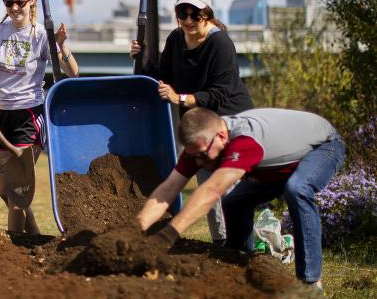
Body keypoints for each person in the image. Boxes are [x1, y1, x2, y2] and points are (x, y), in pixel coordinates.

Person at [136, 107, 344, 289]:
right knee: (234, 202)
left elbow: (212, 190)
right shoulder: (200, 146)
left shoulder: (245, 141)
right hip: (274, 169)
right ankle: (236, 262)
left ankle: (310, 282)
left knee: (297, 188)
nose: (198, 162)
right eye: (193, 157)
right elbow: (169, 188)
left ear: (221, 136)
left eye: (202, 156)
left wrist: (168, 235)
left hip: (323, 147)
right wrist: (136, 229)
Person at [131, 0, 253, 245]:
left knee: (226, 187)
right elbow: (163, 77)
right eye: (182, 14)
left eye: (195, 15)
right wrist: (142, 59)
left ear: (206, 15)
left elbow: (220, 92)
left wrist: (181, 98)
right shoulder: (176, 39)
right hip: (200, 121)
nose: (188, 20)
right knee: (205, 181)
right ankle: (222, 243)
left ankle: (242, 247)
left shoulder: (220, 43)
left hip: (228, 120)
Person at [0, 0, 79, 235]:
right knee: (6, 193)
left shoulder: (41, 35)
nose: (14, 8)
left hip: (28, 115)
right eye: (8, 2)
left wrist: (61, 45)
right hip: (0, 115)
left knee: (17, 195)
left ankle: (12, 245)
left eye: (20, 3)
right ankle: (33, 238)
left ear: (32, 2)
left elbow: (73, 72)